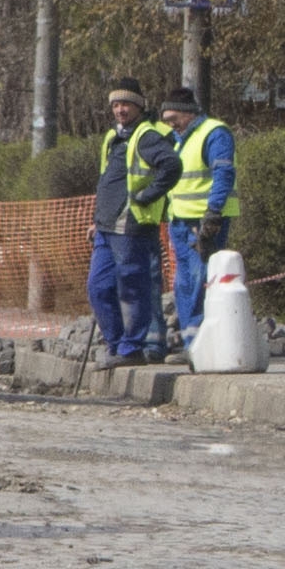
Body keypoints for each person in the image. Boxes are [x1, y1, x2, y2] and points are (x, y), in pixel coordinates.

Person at [90, 81, 177, 365]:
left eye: (125, 104)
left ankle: (131, 349)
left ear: (140, 106)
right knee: (98, 287)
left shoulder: (147, 136)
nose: (120, 109)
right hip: (106, 226)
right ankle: (116, 345)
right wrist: (96, 218)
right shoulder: (113, 137)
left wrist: (146, 195)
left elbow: (172, 166)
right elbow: (108, 181)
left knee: (132, 286)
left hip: (131, 225)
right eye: (115, 104)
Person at [158, 87, 235, 363]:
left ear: (189, 113)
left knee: (199, 279)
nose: (170, 123)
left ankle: (202, 345)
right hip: (181, 222)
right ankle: (193, 344)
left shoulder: (214, 133)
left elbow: (223, 172)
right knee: (185, 282)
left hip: (203, 223)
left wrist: (213, 214)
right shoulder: (180, 139)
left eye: (174, 117)